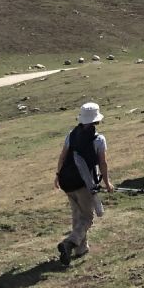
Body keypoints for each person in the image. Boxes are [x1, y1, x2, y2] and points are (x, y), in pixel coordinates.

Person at [54, 102, 112, 266]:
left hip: (67, 181)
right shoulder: (99, 139)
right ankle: (70, 243)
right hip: (84, 184)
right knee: (87, 217)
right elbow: (103, 163)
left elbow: (62, 157)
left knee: (77, 215)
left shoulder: (71, 135)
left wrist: (57, 175)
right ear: (96, 121)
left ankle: (81, 248)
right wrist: (107, 182)